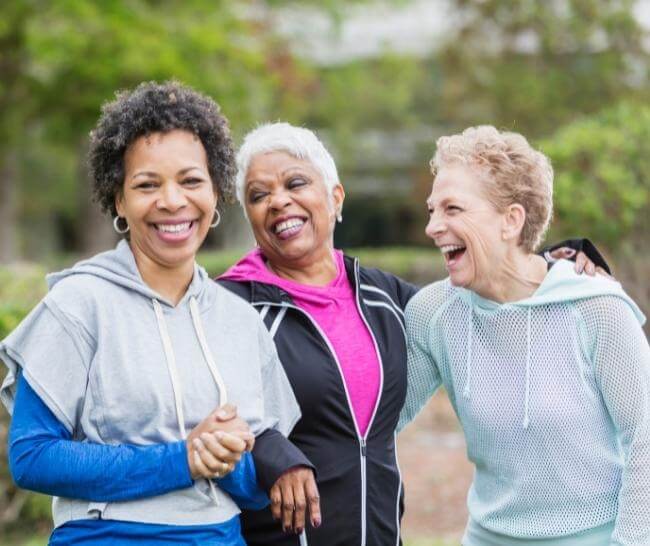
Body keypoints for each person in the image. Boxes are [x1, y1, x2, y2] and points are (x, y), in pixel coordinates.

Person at [216, 122, 607, 546]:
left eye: (296, 182)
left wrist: (550, 264)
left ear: (336, 197)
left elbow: (482, 304)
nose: (277, 201)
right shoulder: (228, 306)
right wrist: (270, 448)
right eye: (258, 196)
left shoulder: (383, 297)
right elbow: (200, 405)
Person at [0, 82, 302, 545]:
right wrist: (183, 460)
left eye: (190, 180)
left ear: (215, 190)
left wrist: (231, 458)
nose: (172, 201)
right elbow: (32, 457)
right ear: (119, 200)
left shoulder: (239, 321)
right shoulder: (79, 304)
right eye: (147, 185)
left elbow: (251, 484)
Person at [399, 126, 650, 545]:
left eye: (452, 209)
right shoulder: (433, 312)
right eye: (431, 210)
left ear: (511, 220)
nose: (433, 227)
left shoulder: (596, 309)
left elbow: (646, 437)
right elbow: (374, 420)